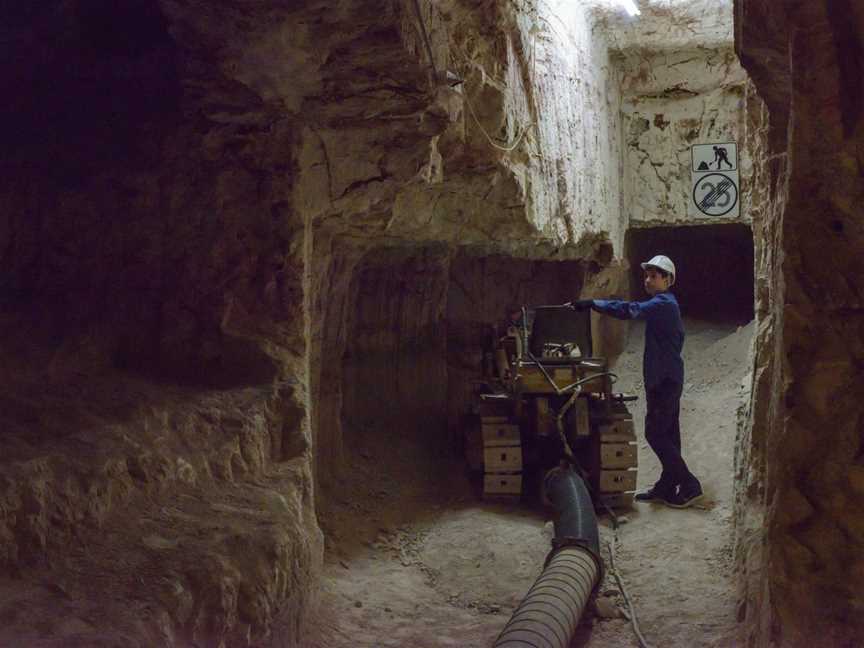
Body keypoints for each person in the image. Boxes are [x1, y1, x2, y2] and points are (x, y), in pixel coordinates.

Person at [568, 255, 703, 508]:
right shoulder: (664, 303)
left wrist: (593, 304)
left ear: (668, 280)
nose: (648, 280)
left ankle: (689, 485)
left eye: (654, 276)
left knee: (655, 433)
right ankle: (666, 485)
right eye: (646, 275)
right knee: (669, 435)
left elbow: (630, 310)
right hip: (665, 378)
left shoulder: (663, 303)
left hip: (664, 380)